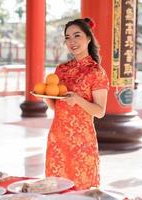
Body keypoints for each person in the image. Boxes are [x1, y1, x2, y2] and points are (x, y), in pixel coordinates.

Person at [44, 18, 109, 190]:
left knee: (81, 189)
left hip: (82, 142)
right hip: (57, 138)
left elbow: (100, 111)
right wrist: (45, 97)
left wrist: (78, 99)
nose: (72, 41)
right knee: (56, 188)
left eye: (77, 35)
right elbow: (57, 107)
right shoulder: (61, 69)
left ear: (88, 38)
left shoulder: (96, 72)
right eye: (67, 37)